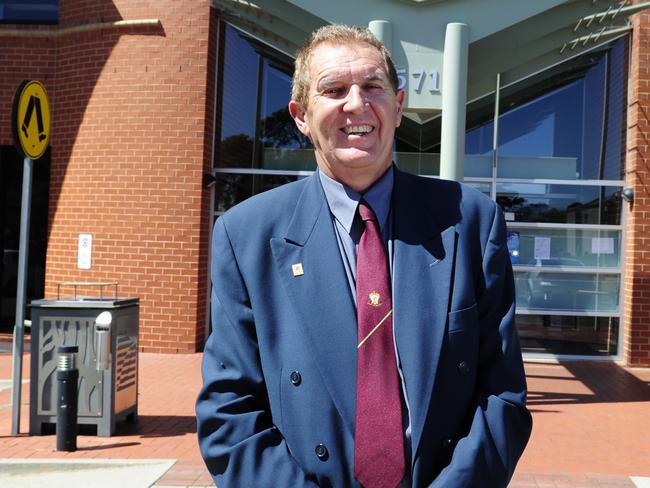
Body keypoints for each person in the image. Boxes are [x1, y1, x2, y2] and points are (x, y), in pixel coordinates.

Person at [196, 24, 532, 488]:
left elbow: (502, 395)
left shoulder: (470, 221)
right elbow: (229, 412)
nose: (357, 103)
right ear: (300, 115)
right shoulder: (246, 234)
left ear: (399, 105)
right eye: (333, 89)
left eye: (373, 86)